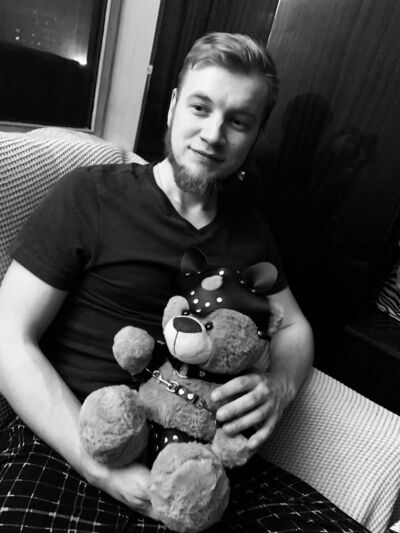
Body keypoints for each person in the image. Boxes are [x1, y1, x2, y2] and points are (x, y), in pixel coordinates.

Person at [0, 32, 365, 533]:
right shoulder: (89, 197)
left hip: (207, 470)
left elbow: (295, 328)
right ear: (173, 106)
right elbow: (8, 335)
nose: (213, 135)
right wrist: (97, 468)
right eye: (200, 107)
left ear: (255, 135)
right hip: (78, 449)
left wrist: (279, 386)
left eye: (238, 121)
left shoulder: (252, 234)